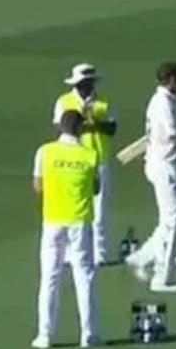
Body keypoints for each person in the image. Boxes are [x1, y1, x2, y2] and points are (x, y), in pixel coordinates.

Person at [32, 110, 100, 349]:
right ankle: (89, 334)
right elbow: (96, 188)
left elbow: (38, 186)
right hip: (79, 220)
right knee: (84, 277)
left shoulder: (45, 151)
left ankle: (45, 335)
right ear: (80, 128)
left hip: (52, 219)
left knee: (49, 277)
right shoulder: (90, 155)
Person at [125, 62, 176, 293]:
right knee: (174, 220)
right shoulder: (163, 103)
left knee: (170, 219)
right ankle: (162, 277)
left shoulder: (166, 101)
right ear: (172, 79)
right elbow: (174, 137)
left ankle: (142, 258)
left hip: (162, 163)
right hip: (163, 165)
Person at [52, 63, 117, 266]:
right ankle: (72, 252)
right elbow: (60, 127)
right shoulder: (64, 101)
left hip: (98, 158)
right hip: (72, 160)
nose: (85, 87)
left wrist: (93, 122)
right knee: (73, 206)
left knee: (100, 208)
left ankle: (100, 252)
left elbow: (112, 127)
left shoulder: (103, 102)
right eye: (82, 84)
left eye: (88, 83)